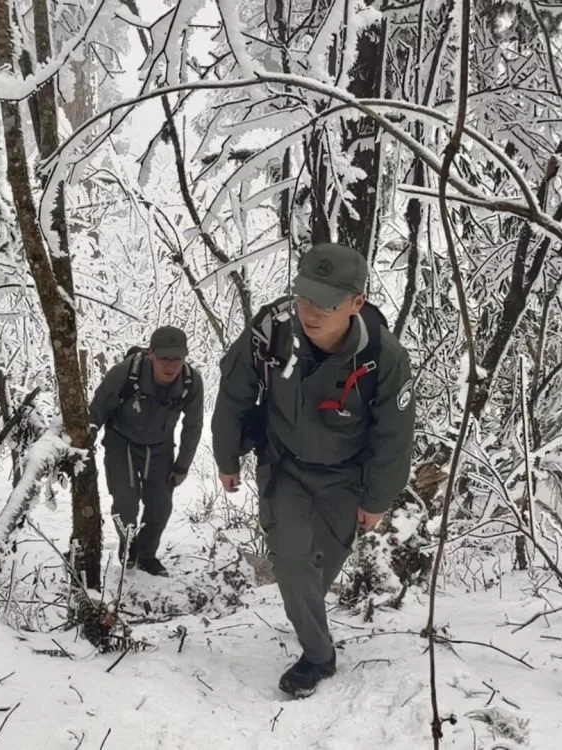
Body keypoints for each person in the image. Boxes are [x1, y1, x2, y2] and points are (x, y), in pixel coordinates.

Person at [211, 242, 415, 697]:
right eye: (304, 297)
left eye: (326, 302)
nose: (310, 310)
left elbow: (394, 438)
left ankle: (305, 612)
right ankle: (318, 657)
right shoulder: (272, 333)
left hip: (345, 479)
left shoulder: (384, 358)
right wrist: (228, 457)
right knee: (293, 564)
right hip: (285, 469)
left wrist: (377, 499)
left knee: (316, 573)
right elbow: (234, 394)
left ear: (356, 303)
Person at [89, 326, 204, 576]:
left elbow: (193, 425)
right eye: (164, 358)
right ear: (152, 354)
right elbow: (97, 408)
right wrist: (85, 439)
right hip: (122, 444)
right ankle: (128, 549)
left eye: (178, 358)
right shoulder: (125, 374)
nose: (171, 365)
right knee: (126, 505)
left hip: (160, 448)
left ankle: (147, 555)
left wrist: (182, 465)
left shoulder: (190, 382)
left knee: (160, 506)